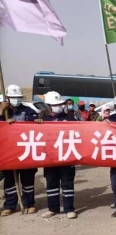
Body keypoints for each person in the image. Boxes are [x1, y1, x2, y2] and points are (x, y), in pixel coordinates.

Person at [38, 91, 78, 219]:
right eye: (55, 105)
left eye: (60, 104)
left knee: (67, 184)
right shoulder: (44, 120)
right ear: (49, 106)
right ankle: (53, 208)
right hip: (50, 157)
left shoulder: (70, 118)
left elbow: (80, 133)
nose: (58, 107)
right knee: (51, 184)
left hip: (66, 157)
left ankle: (69, 209)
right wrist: (36, 125)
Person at [0, 85, 39, 216]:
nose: (15, 99)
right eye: (12, 97)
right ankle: (10, 205)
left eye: (17, 97)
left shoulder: (28, 111)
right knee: (10, 181)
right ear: (7, 98)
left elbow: (34, 124)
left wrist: (16, 124)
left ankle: (29, 204)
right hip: (9, 152)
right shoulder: (4, 111)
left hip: (25, 151)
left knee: (28, 180)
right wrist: (2, 113)